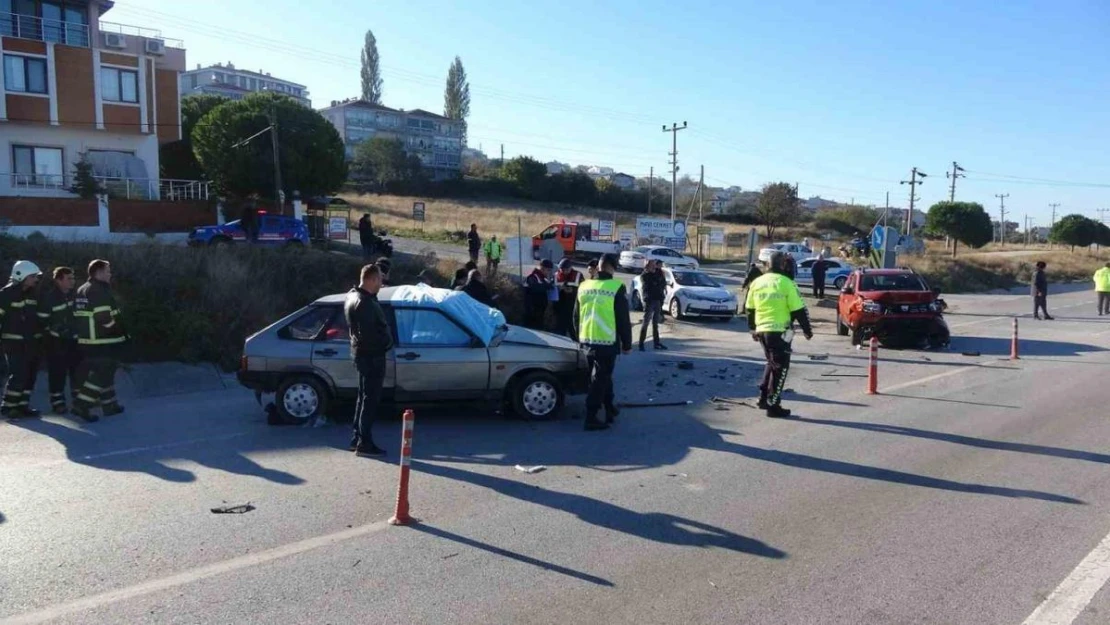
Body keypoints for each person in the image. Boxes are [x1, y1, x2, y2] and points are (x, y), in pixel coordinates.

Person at [745, 251, 813, 419]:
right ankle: (773, 405)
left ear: (768, 265)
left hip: (762, 331)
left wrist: (752, 328)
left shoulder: (757, 282)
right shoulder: (786, 283)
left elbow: (749, 308)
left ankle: (763, 398)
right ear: (783, 265)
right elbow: (798, 310)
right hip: (780, 332)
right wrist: (807, 330)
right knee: (781, 369)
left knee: (771, 363)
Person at [574, 254, 632, 431]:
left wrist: (578, 336)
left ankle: (609, 407)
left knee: (603, 376)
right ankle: (591, 417)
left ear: (599, 267)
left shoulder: (584, 286)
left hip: (586, 339)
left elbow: (576, 316)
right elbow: (622, 318)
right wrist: (627, 343)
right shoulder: (616, 287)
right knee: (600, 378)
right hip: (606, 341)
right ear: (612, 267)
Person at [344, 264, 394, 458]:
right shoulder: (364, 303)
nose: (382, 283)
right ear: (372, 280)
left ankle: (357, 438)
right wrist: (386, 343)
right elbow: (369, 335)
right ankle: (364, 442)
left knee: (363, 397)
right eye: (380, 279)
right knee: (369, 400)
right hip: (371, 356)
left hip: (362, 354)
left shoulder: (352, 296)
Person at [72, 259, 127, 421]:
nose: (110, 274)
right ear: (99, 272)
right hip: (102, 341)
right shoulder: (99, 290)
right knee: (102, 374)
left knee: (106, 373)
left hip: (87, 341)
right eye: (108, 271)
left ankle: (110, 405)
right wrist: (117, 330)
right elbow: (103, 317)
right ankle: (81, 405)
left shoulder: (82, 289)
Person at [0, 261, 43, 419]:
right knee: (18, 374)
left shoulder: (31, 294)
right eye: (33, 277)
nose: (35, 280)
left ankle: (22, 405)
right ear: (21, 275)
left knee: (30, 375)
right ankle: (9, 406)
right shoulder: (6, 294)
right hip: (14, 343)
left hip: (31, 342)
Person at [39, 266, 83, 418]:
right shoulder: (49, 298)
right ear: (58, 280)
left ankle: (79, 400)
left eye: (73, 278)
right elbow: (42, 322)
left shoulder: (75, 296)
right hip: (56, 342)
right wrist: (54, 331)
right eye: (68, 278)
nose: (72, 281)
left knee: (77, 371)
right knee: (57, 373)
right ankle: (58, 402)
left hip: (75, 340)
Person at [638, 260, 668, 351]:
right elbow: (649, 285)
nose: (653, 267)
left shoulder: (658, 273)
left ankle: (657, 343)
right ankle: (641, 344)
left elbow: (662, 283)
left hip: (658, 299)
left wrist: (659, 279)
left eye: (654, 265)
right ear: (647, 266)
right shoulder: (644, 275)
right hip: (649, 301)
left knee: (656, 323)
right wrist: (656, 279)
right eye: (651, 265)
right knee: (646, 322)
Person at [553, 258, 583, 339]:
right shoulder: (556, 275)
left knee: (572, 327)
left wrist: (572, 290)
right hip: (560, 306)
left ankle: (575, 343)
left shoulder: (578, 275)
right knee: (560, 328)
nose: (564, 271)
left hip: (573, 305)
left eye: (566, 269)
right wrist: (560, 289)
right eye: (562, 269)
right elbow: (552, 288)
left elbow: (583, 289)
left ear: (570, 268)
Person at [523, 259, 554, 330]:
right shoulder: (533, 277)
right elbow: (535, 288)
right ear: (542, 268)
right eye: (548, 270)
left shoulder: (542, 278)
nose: (549, 272)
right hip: (532, 311)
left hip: (539, 310)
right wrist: (547, 286)